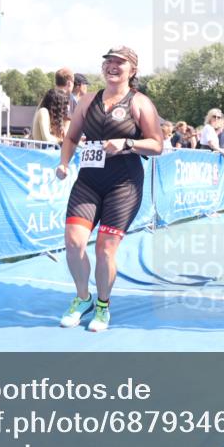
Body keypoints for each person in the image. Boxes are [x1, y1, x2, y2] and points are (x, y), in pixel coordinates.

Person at [55, 45, 163, 332]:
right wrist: (64, 163)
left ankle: (103, 305)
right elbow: (71, 138)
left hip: (123, 185)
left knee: (104, 249)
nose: (113, 66)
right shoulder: (88, 100)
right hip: (88, 182)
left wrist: (127, 143)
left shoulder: (140, 103)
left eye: (120, 63)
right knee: (74, 242)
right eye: (109, 62)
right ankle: (83, 298)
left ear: (132, 70)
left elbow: (157, 145)